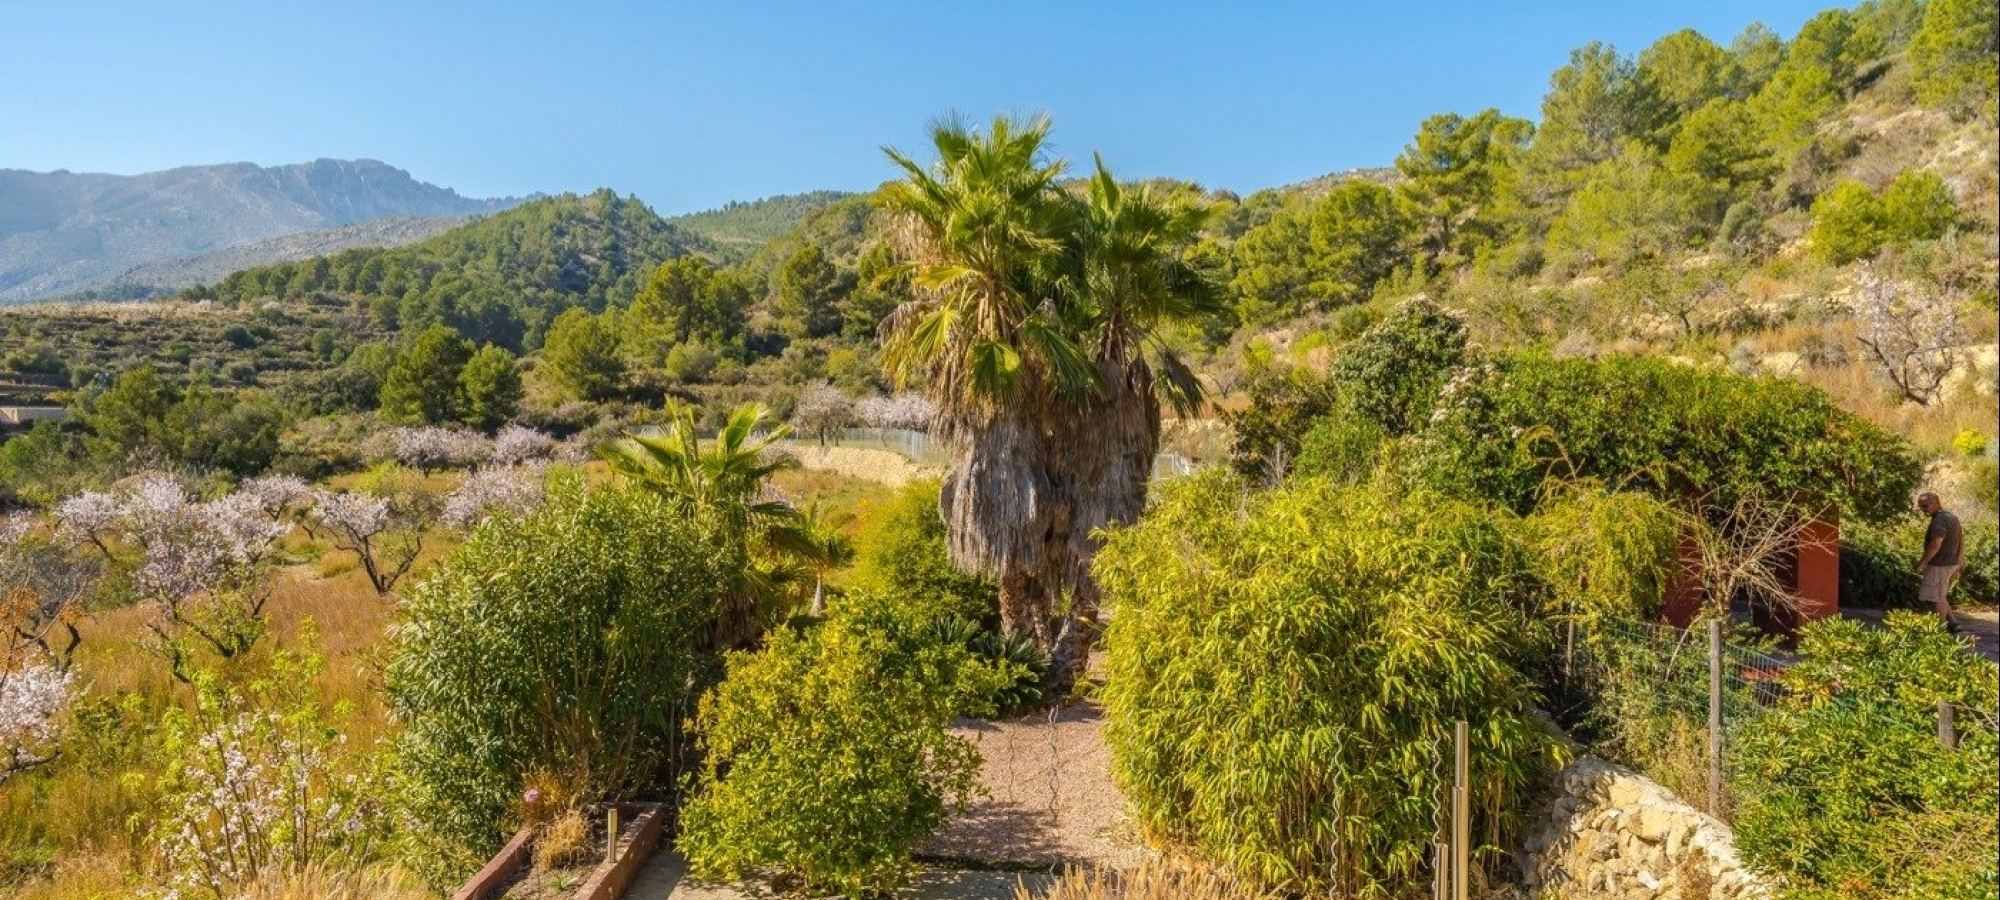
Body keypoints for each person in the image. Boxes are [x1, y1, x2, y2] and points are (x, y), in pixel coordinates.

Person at [1916, 492, 1964, 634]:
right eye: (1921, 506)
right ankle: (1954, 623)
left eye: (1926, 505)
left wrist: (1923, 562)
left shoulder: (1939, 520)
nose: (1924, 509)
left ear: (1936, 502)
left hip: (1940, 565)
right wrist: (1960, 560)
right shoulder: (1952, 517)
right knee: (1940, 593)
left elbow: (1936, 544)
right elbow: (1962, 540)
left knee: (1937, 597)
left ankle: (1939, 631)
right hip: (1952, 563)